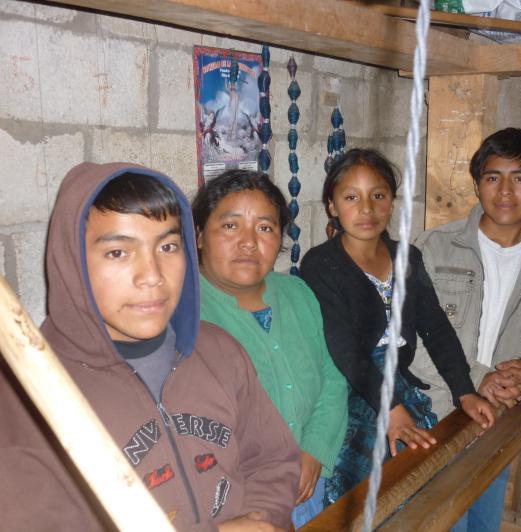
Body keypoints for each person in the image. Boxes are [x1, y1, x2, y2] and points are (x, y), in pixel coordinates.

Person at [0, 162, 300, 531]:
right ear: (72, 260)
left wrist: (263, 520)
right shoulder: (28, 396)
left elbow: (272, 460)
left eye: (168, 246)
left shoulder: (219, 352)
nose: (152, 276)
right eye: (118, 253)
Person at [300, 148, 495, 504]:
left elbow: (436, 328)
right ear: (332, 206)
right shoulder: (321, 264)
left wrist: (465, 390)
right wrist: (390, 408)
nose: (366, 208)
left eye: (378, 195)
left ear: (391, 201)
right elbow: (346, 350)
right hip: (345, 383)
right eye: (351, 197)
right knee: (370, 477)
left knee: (426, 467)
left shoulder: (407, 258)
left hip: (396, 381)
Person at [412, 128, 521, 531]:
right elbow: (415, 341)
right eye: (492, 177)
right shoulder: (433, 248)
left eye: (520, 178)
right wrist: (480, 377)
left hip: (501, 416)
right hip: (439, 411)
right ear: (477, 185)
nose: (505, 190)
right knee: (440, 520)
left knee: (483, 523)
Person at [192, 170, 348, 528]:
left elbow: (332, 378)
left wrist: (314, 451)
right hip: (237, 503)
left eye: (264, 228)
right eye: (231, 226)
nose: (249, 242)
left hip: (310, 483)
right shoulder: (183, 316)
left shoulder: (298, 293)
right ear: (199, 235)